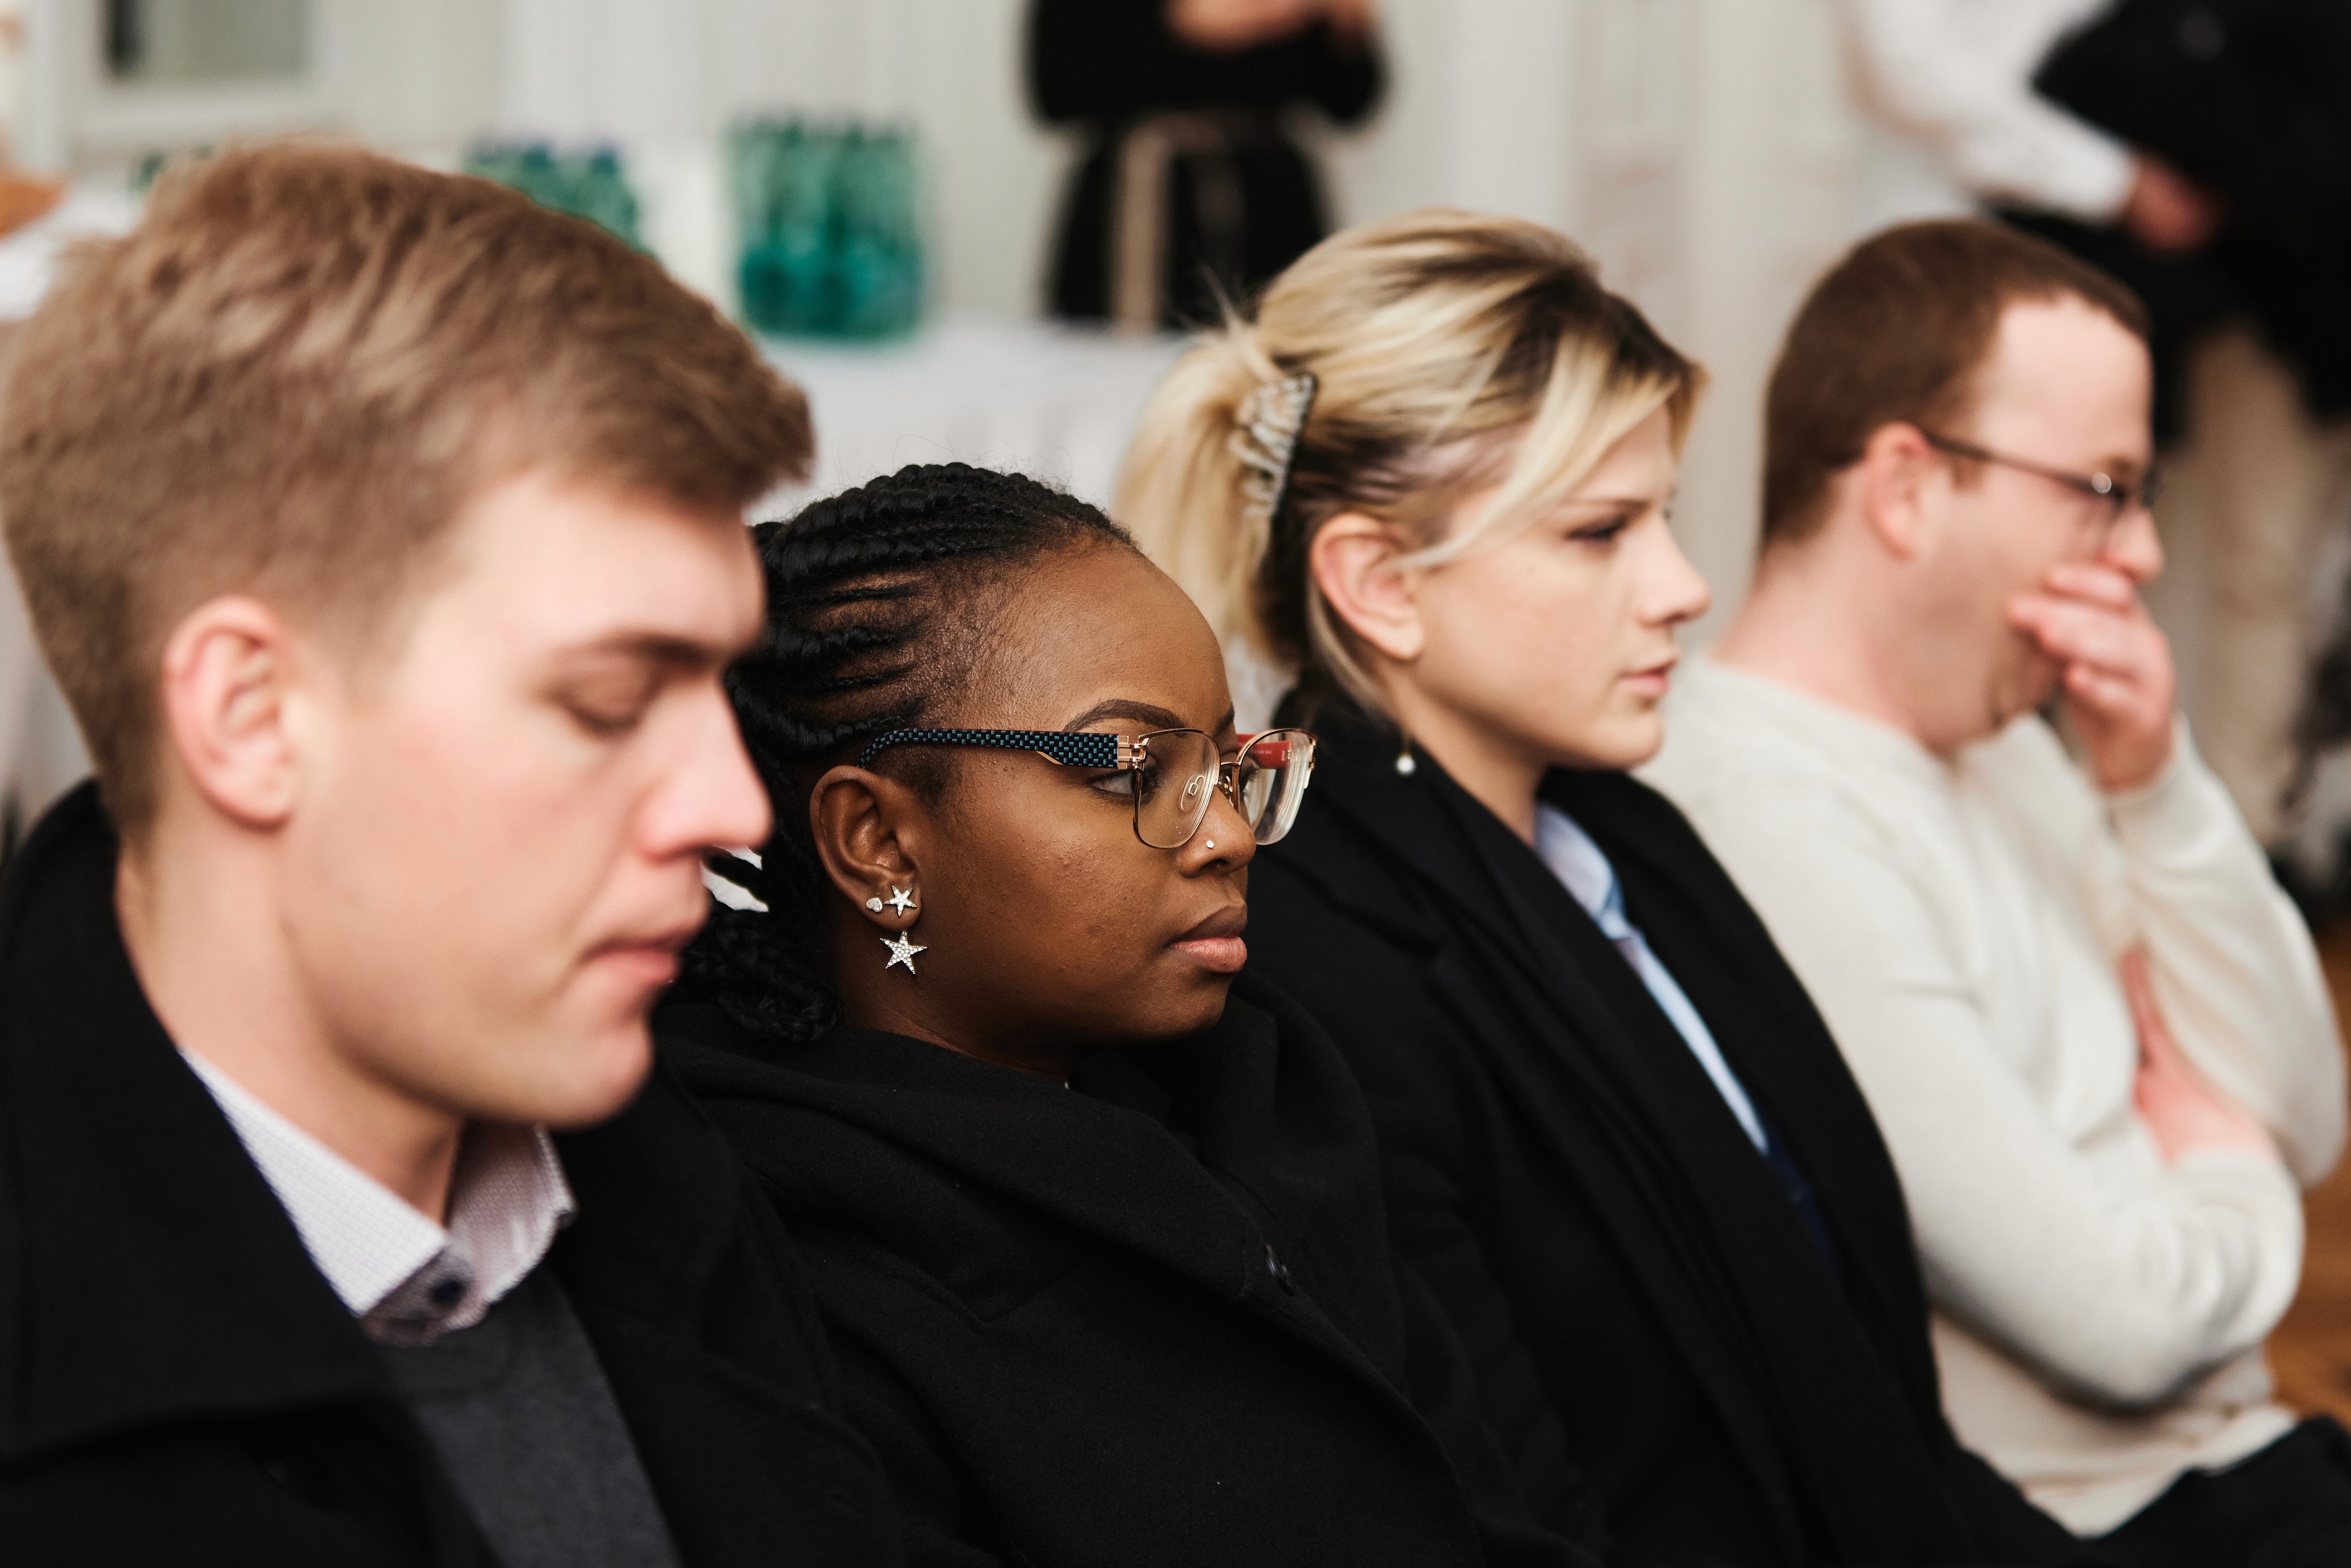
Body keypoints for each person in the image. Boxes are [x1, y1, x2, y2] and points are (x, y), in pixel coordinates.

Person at [1115, 207, 2096, 1566]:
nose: (1684, 587)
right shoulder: (1322, 974)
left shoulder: (1626, 837)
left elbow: (1849, 1379)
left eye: (1668, 518)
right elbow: (1509, 1513)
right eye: (1599, 532)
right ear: (1380, 583)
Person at [0, 143, 901, 1567]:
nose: (735, 806)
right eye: (608, 701)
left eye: (716, 693)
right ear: (250, 716)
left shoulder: (668, 1171)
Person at [659, 461, 1600, 1568]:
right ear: (880, 841)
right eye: (1134, 769)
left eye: (1228, 766)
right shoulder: (788, 1268)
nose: (1229, 837)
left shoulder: (1274, 1105)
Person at [1644, 219, 2351, 1562]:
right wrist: (2221, 1160)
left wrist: (2155, 788)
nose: (2140, 550)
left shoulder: (2012, 743)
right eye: (2105, 486)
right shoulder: (1760, 811)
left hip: (2249, 1460)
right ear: (1907, 485)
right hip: (2114, 1525)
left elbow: (2310, 1114)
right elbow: (2128, 1325)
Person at [1829, 0, 2351, 857]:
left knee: (2215, 568)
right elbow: (1906, 68)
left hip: (2227, 282)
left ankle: (2210, 841)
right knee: (1988, 562)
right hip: (1984, 259)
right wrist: (2115, 180)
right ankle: (1960, 833)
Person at [1027, 0, 1383, 329]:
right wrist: (1178, 27)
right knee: (1109, 380)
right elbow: (1055, 89)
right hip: (1139, 205)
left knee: (1286, 363)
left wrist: (1348, 27)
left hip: (1272, 205)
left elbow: (1350, 103)